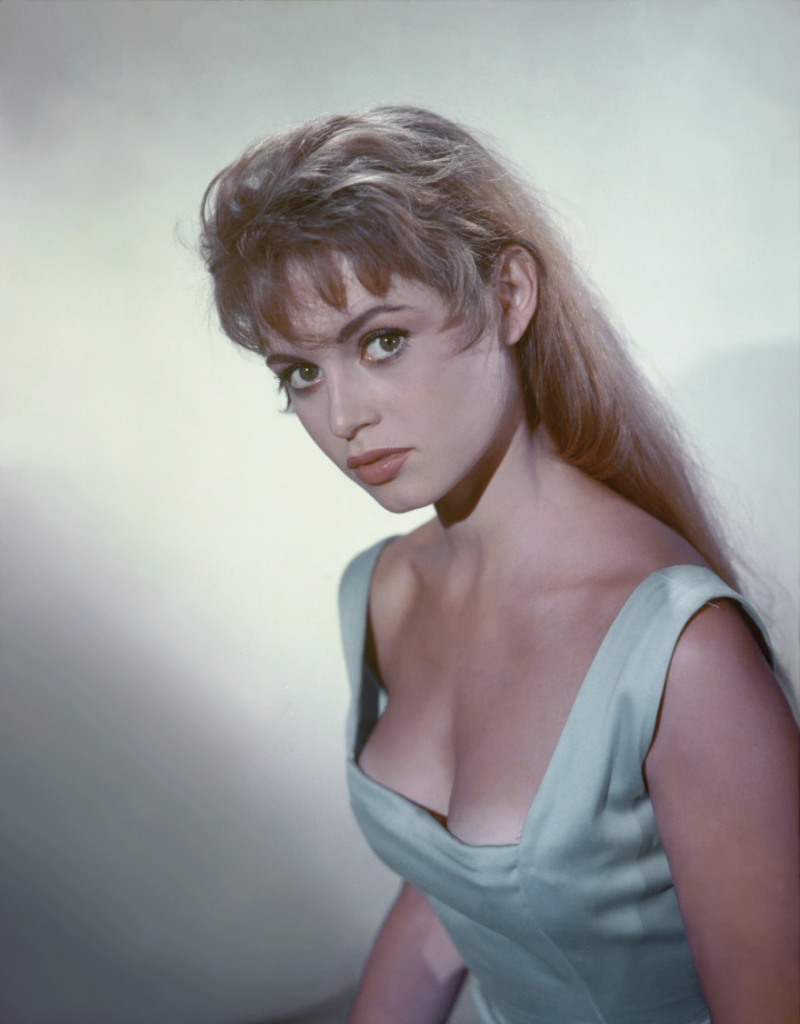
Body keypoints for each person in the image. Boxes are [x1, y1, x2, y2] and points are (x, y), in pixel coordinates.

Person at [199, 107, 799, 1024]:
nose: (343, 417)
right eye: (301, 374)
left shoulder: (683, 653)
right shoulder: (382, 594)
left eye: (382, 341)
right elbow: (453, 894)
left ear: (510, 295)